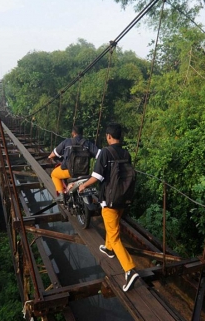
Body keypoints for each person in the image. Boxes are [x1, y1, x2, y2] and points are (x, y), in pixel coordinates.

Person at [78, 122, 139, 292]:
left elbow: (96, 177)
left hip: (110, 201)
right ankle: (108, 248)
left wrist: (83, 185)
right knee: (113, 228)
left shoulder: (105, 152)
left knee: (115, 235)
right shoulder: (126, 153)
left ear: (109, 137)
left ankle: (129, 270)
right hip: (123, 199)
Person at [48, 126, 99, 202]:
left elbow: (54, 154)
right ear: (82, 133)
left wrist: (50, 156)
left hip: (69, 172)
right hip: (84, 172)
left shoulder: (67, 142)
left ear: (73, 133)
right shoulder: (88, 143)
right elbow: (100, 155)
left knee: (54, 174)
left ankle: (61, 194)